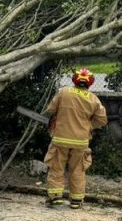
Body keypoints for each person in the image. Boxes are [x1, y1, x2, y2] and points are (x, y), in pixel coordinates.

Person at [43, 67, 107, 209]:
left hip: (60, 138)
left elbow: (50, 110)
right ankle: (76, 200)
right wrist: (89, 126)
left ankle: (55, 197)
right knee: (78, 169)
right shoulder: (93, 99)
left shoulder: (63, 92)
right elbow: (102, 120)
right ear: (89, 83)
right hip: (81, 141)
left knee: (56, 167)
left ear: (74, 80)